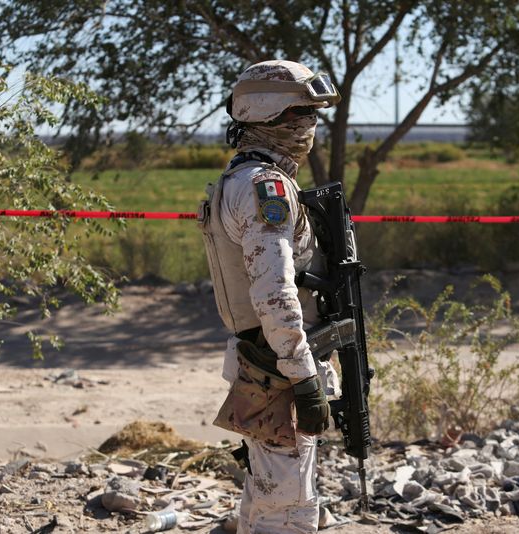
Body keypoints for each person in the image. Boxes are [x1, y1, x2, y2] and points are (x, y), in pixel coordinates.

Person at [198, 60, 342, 533]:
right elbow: (276, 293)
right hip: (277, 363)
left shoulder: (239, 179)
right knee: (289, 508)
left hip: (263, 355)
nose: (309, 128)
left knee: (267, 493)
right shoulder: (266, 186)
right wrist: (303, 377)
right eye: (300, 116)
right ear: (269, 117)